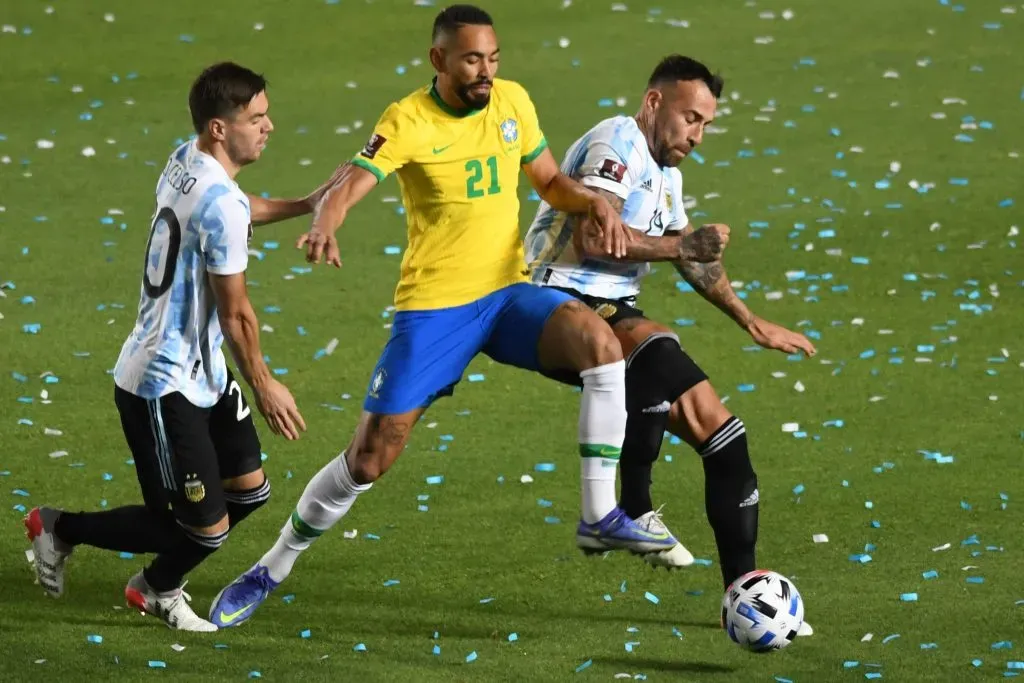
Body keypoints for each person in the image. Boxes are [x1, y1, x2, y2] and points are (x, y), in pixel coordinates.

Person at [207, 5, 698, 629]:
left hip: (506, 295)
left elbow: (550, 181)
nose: (486, 71)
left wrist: (592, 204)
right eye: (471, 60)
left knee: (601, 344)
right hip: (436, 310)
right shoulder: (408, 119)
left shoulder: (513, 102)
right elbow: (353, 182)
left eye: (492, 58)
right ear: (438, 60)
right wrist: (326, 220)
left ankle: (599, 514)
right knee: (370, 457)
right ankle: (272, 567)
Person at [523, 54, 817, 635]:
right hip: (556, 296)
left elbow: (693, 258)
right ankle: (632, 507)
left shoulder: (668, 177)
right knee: (657, 350)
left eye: (705, 124)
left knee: (725, 437)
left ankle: (745, 593)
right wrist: (682, 246)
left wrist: (750, 320)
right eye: (690, 118)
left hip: (614, 308)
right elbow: (595, 238)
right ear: (654, 102)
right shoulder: (617, 143)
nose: (697, 135)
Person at [24, 62, 310, 632]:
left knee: (247, 493)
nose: (269, 126)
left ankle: (154, 583)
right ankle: (66, 533)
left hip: (203, 373)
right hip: (162, 382)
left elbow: (235, 205)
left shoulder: (187, 160)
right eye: (256, 117)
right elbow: (236, 313)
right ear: (219, 129)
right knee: (194, 528)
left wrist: (308, 203)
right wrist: (264, 384)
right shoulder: (218, 202)